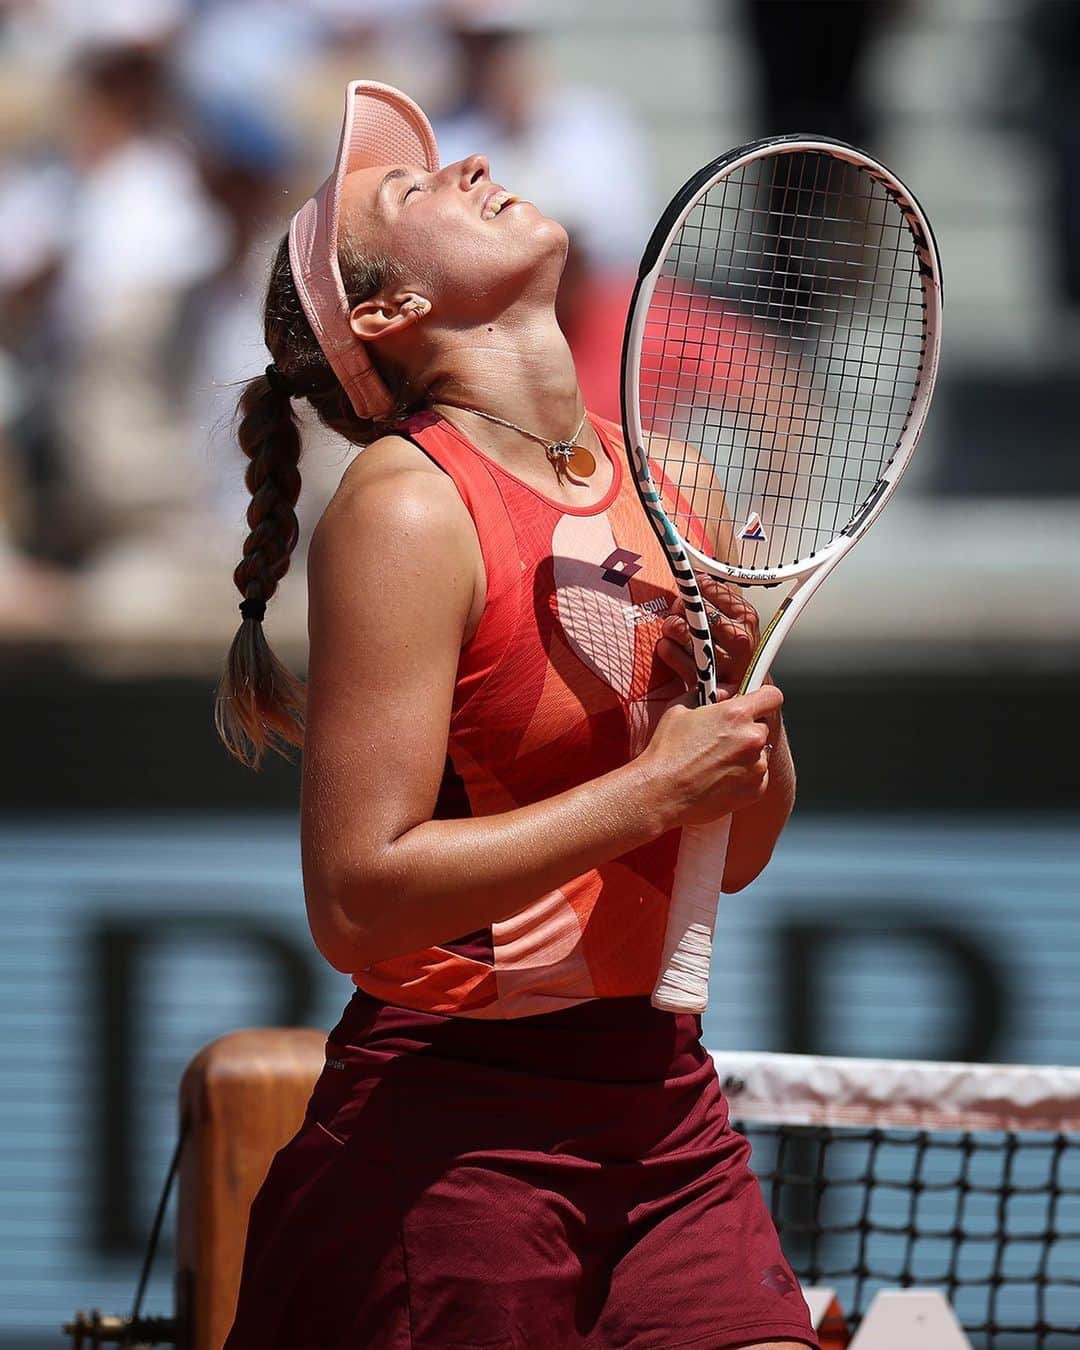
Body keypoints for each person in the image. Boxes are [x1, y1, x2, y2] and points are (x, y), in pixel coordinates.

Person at [215, 80, 815, 1350]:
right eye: (410, 190)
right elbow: (358, 897)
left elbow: (741, 853)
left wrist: (734, 696)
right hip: (449, 1139)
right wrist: (653, 788)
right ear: (390, 312)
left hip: (666, 1112)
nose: (469, 162)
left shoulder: (677, 481)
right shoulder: (405, 505)